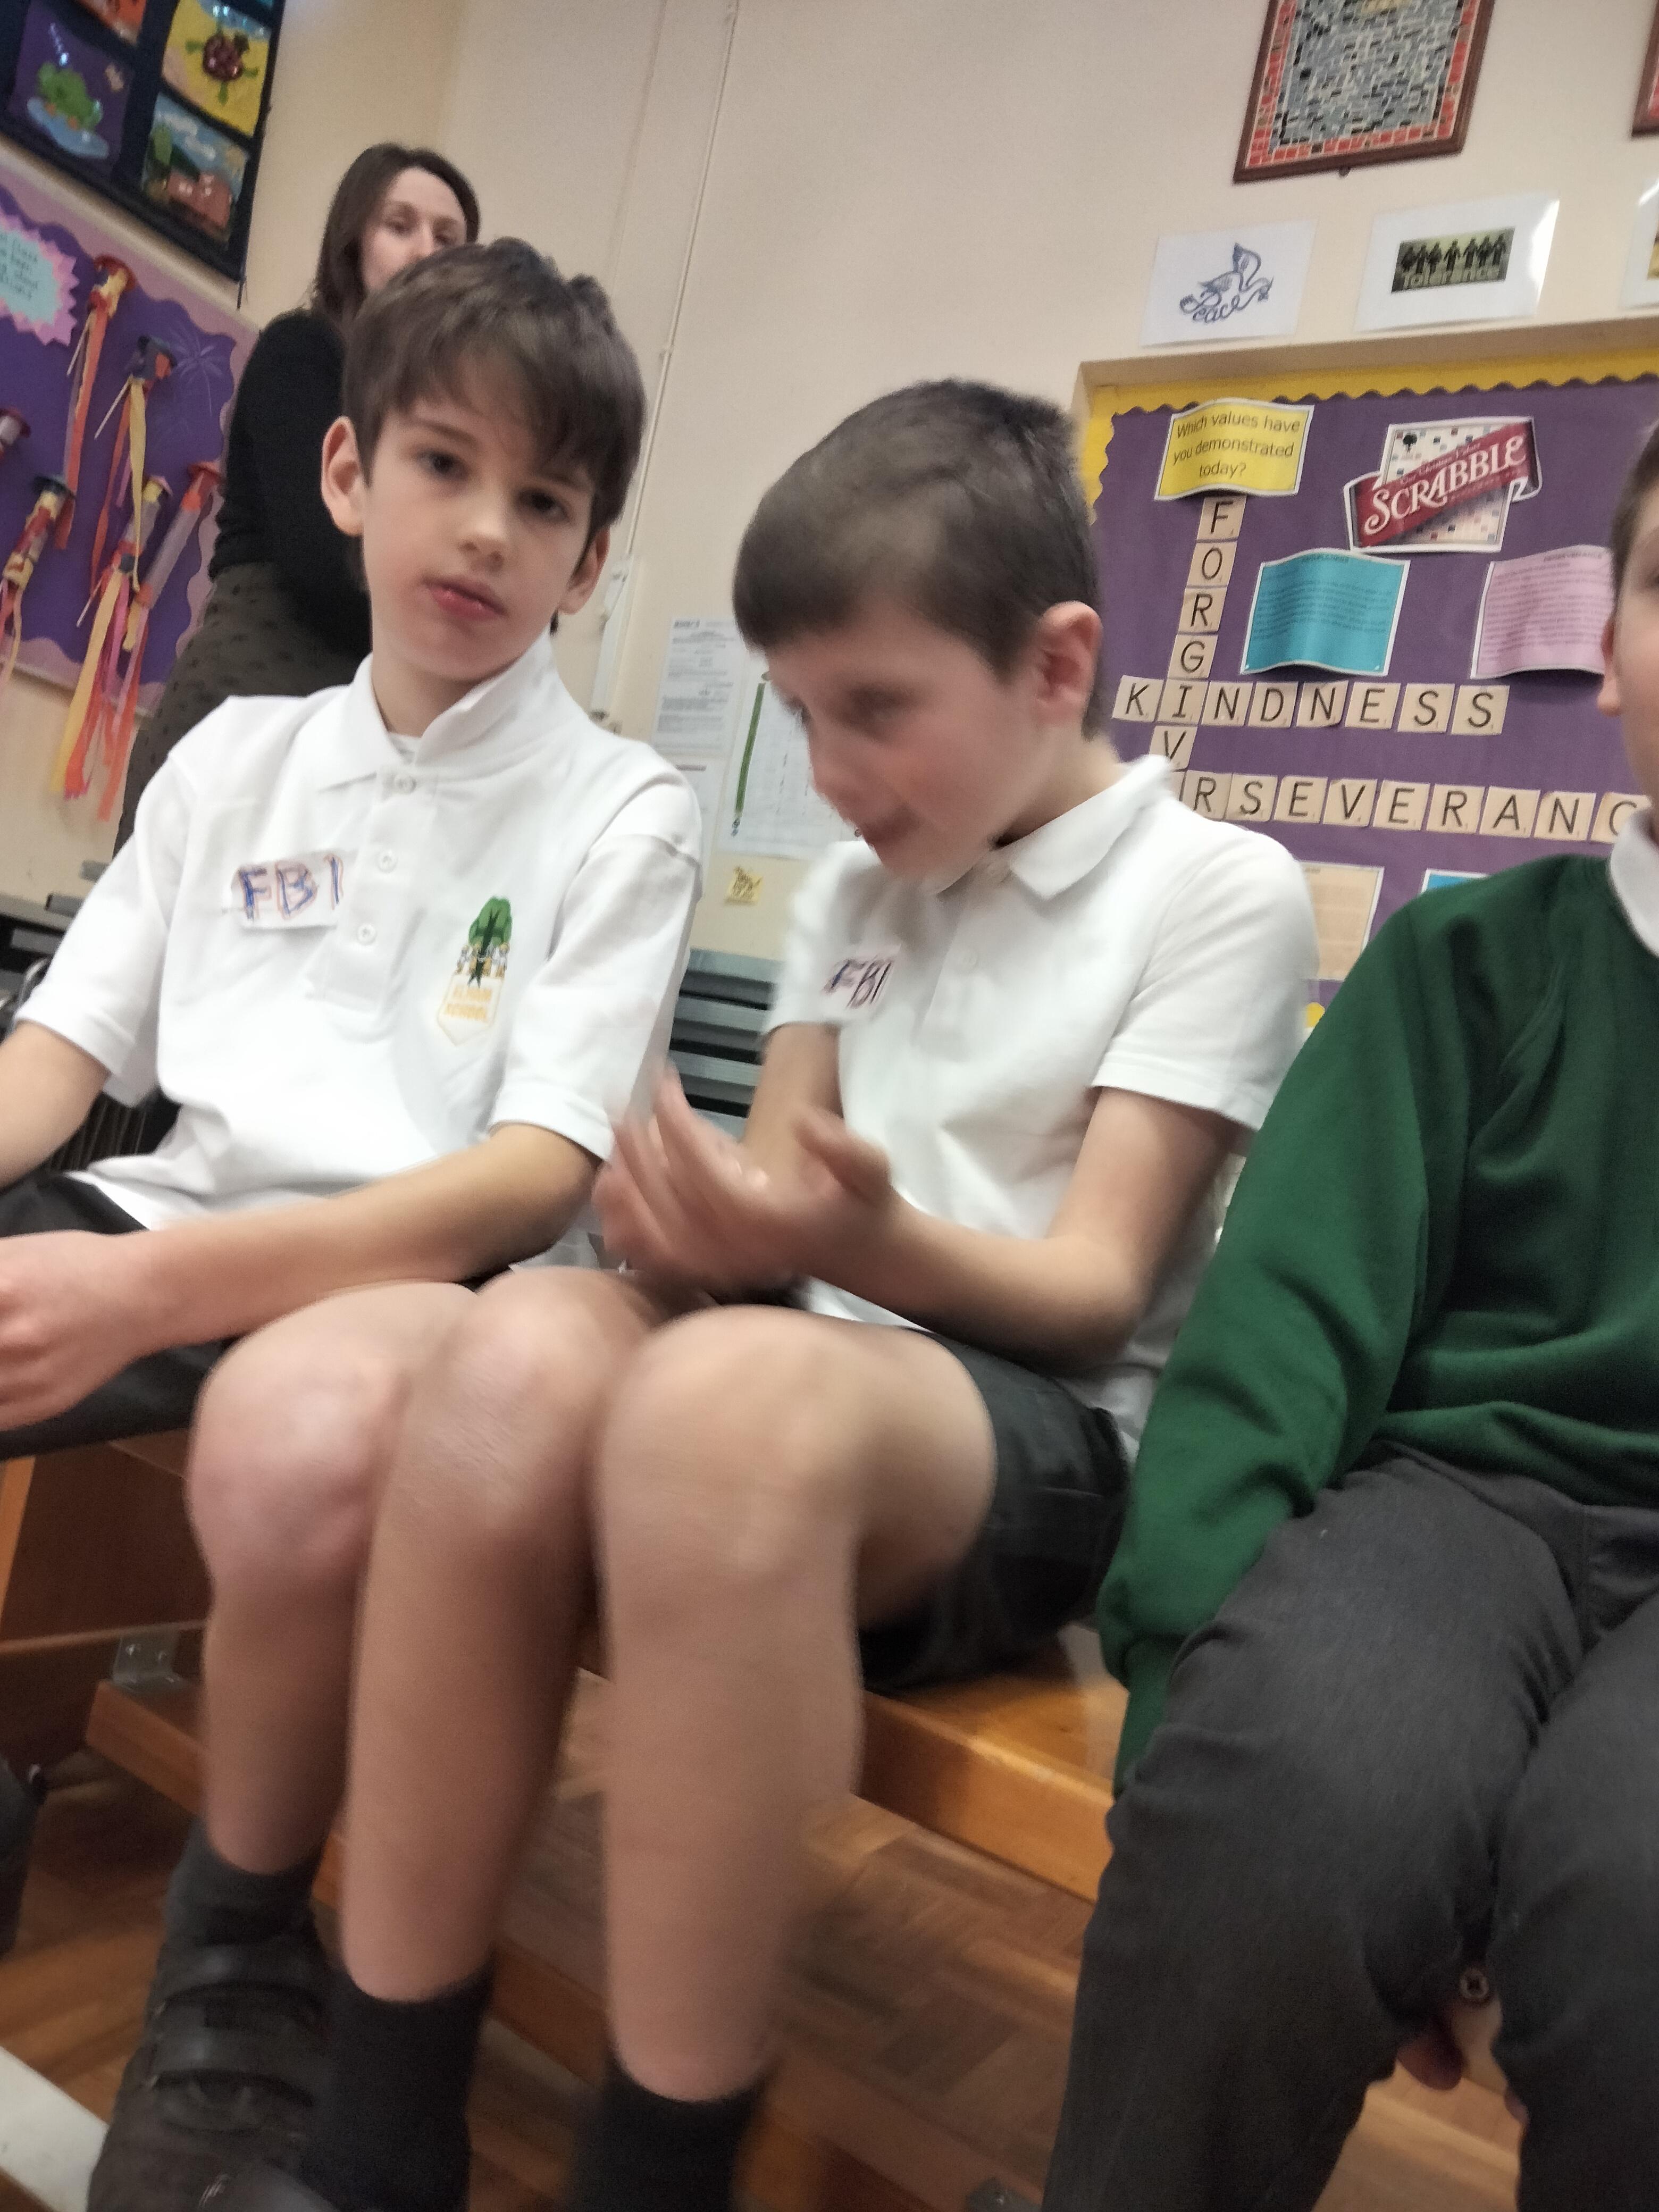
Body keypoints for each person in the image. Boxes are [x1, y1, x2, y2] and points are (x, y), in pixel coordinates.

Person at [169, 380, 1316, 2212]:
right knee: (511, 1354)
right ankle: (374, 2146)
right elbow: (784, 1205)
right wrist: (691, 1222)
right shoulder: (857, 894)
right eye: (802, 715)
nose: (836, 773)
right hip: (804, 1354)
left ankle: (657, 2175)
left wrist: (838, 1241)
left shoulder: (1216, 889)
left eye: (879, 710)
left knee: (717, 1416)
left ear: (1056, 665)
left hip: (1034, 1430)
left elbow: (1095, 1291)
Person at [1, 237, 700, 2208]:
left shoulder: (623, 806)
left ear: (590, 559)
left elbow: (533, 1174)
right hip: (167, 1210)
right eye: (442, 466)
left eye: (542, 502)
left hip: (420, 1281)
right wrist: (120, 1256)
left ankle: (229, 1969)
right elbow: (61, 1053)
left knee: (292, 1434)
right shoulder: (238, 755)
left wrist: (142, 1290)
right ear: (347, 474)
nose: (482, 530)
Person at [1040, 420, 1659, 2212]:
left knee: (1641, 1908)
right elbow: (1275, 1339)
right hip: (1455, 1511)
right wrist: (1186, 1711)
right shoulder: (1472, 965)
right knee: (1285, 1800)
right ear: (1611, 646)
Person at [114, 143, 481, 846]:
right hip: (256, 699)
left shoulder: (459, 416)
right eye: (399, 225)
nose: (425, 252)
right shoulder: (305, 351)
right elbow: (324, 562)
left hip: (370, 736)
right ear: (354, 242)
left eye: (448, 238)